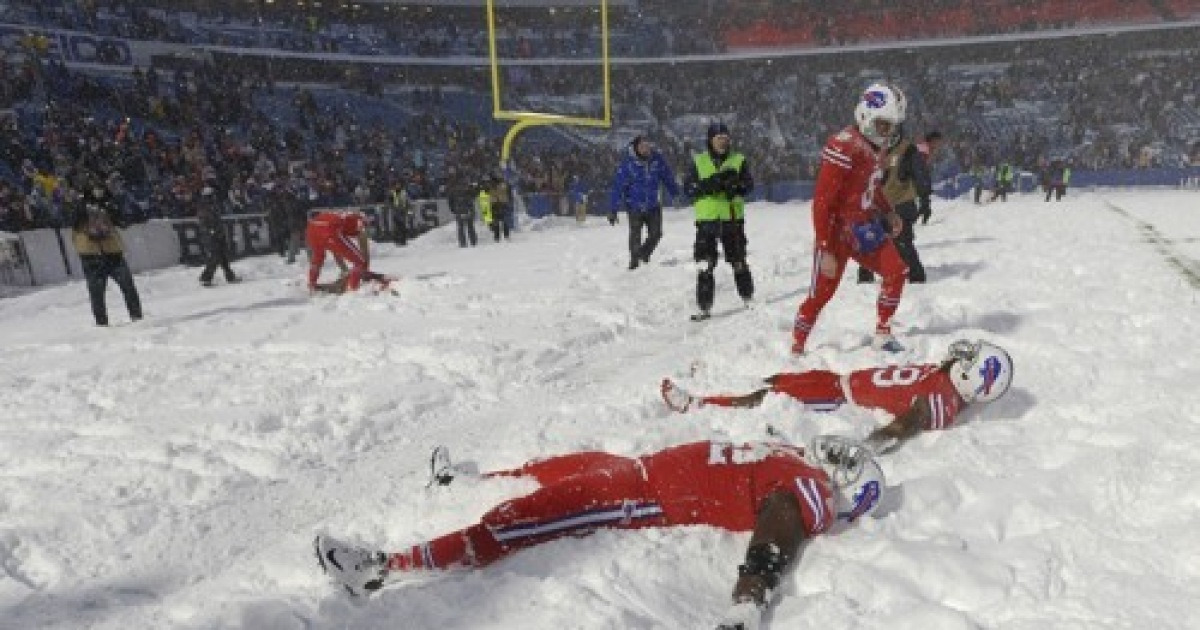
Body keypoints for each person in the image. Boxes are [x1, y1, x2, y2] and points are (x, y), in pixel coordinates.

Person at [315, 433, 886, 630]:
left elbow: (779, 527)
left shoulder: (812, 490)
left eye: (846, 458)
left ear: (847, 482)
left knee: (516, 523)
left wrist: (749, 597)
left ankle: (383, 568)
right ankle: (469, 478)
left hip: (637, 498)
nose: (835, 449)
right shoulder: (792, 453)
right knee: (563, 465)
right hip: (639, 466)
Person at [661, 339, 1013, 454]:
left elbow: (905, 425)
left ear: (972, 377)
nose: (960, 355)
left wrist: (867, 446)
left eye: (968, 360)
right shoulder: (951, 384)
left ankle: (697, 407)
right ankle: (714, 390)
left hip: (837, 398)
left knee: (765, 397)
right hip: (838, 381)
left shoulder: (940, 402)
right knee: (774, 380)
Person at [791, 83, 909, 355]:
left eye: (891, 126)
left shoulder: (871, 146)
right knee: (821, 294)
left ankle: (883, 333)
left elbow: (871, 183)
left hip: (864, 227)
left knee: (897, 271)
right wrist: (825, 247)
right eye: (883, 125)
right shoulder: (843, 146)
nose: (888, 132)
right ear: (866, 116)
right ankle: (797, 346)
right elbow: (822, 203)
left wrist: (888, 209)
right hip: (836, 231)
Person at [683, 122, 755, 320]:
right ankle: (704, 307)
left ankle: (748, 298)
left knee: (739, 260)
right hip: (707, 220)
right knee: (705, 263)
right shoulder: (699, 161)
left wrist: (736, 187)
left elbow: (749, 185)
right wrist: (708, 185)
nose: (723, 141)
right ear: (710, 140)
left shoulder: (738, 159)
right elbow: (688, 189)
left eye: (725, 138)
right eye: (718, 138)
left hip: (732, 218)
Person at [856, 125, 928, 284]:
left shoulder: (907, 150)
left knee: (902, 242)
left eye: (890, 131)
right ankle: (865, 279)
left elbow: (921, 175)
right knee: (869, 241)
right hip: (876, 205)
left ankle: (916, 277)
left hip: (902, 202)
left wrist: (925, 199)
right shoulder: (870, 149)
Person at [70, 178, 143, 326]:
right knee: (97, 293)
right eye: (96, 188)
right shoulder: (80, 205)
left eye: (101, 188)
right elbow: (75, 222)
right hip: (90, 253)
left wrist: (112, 208)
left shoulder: (109, 203)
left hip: (112, 251)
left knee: (127, 286)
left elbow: (122, 222)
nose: (99, 192)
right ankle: (101, 323)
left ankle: (136, 317)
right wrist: (85, 206)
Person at [609, 135, 680, 269]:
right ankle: (634, 261)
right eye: (642, 146)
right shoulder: (628, 164)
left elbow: (667, 176)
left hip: (653, 205)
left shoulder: (657, 159)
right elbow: (618, 187)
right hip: (634, 206)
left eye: (648, 146)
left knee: (656, 234)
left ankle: (644, 253)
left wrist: (674, 193)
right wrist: (613, 209)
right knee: (635, 235)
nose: (646, 149)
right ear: (636, 147)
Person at [306, 210, 369, 292]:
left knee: (318, 259)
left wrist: (345, 270)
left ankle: (312, 284)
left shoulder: (345, 216)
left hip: (311, 229)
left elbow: (337, 251)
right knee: (360, 261)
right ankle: (353, 288)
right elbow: (364, 248)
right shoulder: (359, 221)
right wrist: (364, 269)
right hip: (329, 229)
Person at [197, 184, 241, 287]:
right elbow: (203, 223)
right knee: (215, 257)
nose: (214, 197)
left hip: (219, 234)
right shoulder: (204, 208)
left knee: (224, 257)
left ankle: (230, 276)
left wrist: (219, 232)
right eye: (212, 195)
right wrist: (210, 231)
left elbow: (217, 220)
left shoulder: (214, 206)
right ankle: (205, 278)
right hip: (211, 236)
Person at [915, 131, 942, 225]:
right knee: (924, 194)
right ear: (932, 140)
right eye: (937, 141)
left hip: (920, 176)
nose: (939, 144)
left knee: (924, 196)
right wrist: (923, 179)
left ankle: (923, 210)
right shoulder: (923, 148)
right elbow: (919, 166)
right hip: (918, 176)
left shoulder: (926, 148)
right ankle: (923, 211)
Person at [488, 173, 514, 241]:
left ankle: (503, 237)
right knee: (498, 222)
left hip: (502, 204)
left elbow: (509, 192)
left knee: (504, 222)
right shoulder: (490, 185)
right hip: (495, 204)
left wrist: (510, 201)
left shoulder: (503, 184)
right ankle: (500, 237)